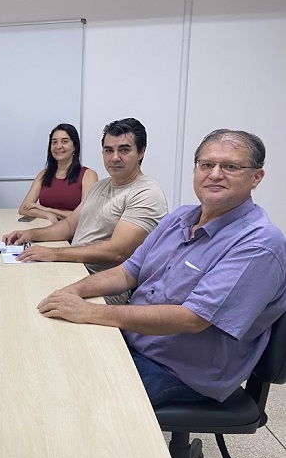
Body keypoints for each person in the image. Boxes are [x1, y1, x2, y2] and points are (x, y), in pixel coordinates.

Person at [37, 129, 286, 407]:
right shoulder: (180, 218)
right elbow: (127, 271)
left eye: (230, 167)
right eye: (206, 165)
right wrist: (70, 292)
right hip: (135, 340)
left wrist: (89, 311)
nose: (215, 174)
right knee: (51, 356)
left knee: (73, 399)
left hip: (179, 372)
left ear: (256, 177)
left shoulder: (259, 243)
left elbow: (193, 318)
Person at [3, 118, 167, 304]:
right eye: (108, 150)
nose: (114, 157)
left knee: (30, 300)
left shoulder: (147, 193)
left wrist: (54, 253)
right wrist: (29, 234)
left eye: (124, 150)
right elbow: (68, 226)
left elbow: (117, 251)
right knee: (14, 285)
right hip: (74, 268)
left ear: (141, 151)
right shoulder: (100, 186)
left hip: (105, 286)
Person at [18, 123, 98, 222]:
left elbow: (86, 214)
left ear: (74, 146)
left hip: (74, 231)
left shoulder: (88, 175)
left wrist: (49, 210)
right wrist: (47, 215)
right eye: (54, 142)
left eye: (64, 141)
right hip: (46, 228)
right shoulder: (43, 174)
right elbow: (23, 209)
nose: (58, 146)